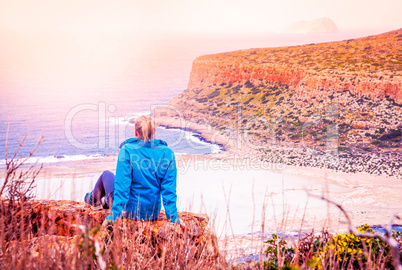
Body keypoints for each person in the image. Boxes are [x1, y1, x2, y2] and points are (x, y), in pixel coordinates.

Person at [84, 115, 184, 229]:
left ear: (136, 132)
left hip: (129, 211)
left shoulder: (127, 150)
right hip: (152, 213)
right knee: (111, 183)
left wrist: (115, 215)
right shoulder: (167, 153)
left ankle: (91, 199)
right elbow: (169, 189)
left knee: (106, 175)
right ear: (153, 131)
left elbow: (123, 185)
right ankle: (102, 201)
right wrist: (173, 217)